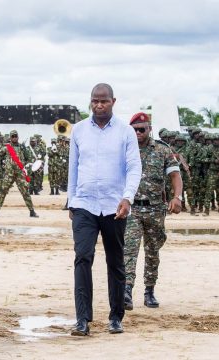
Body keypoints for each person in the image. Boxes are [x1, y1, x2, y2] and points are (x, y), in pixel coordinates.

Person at [68, 83, 142, 336]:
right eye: (95, 101)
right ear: (90, 102)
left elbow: (134, 167)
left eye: (104, 101)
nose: (99, 105)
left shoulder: (125, 132)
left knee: (115, 261)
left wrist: (127, 197)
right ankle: (82, 320)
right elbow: (73, 168)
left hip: (115, 206)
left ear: (113, 101)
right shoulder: (78, 131)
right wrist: (71, 200)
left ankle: (115, 317)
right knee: (83, 257)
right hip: (84, 205)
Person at [124, 112, 182, 311]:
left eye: (142, 129)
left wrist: (177, 197)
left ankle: (149, 291)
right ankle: (126, 290)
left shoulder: (162, 150)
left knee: (152, 251)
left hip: (155, 209)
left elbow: (175, 175)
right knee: (129, 250)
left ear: (150, 129)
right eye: (135, 130)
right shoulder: (124, 149)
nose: (138, 133)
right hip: (132, 209)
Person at [0, 130, 39, 218]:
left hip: (20, 174)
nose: (14, 138)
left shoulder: (23, 147)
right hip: (9, 174)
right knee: (2, 192)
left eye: (16, 136)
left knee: (25, 192)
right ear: (10, 138)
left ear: (18, 137)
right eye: (13, 136)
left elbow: (29, 158)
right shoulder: (6, 148)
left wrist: (25, 167)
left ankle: (32, 211)